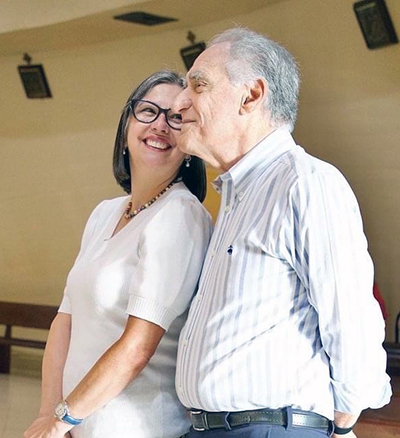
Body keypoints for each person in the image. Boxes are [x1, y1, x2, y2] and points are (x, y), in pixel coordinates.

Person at [172, 28, 392, 438]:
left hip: (273, 429)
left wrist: (341, 416)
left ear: (251, 96)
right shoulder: (238, 193)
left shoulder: (305, 182)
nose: (180, 101)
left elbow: (352, 317)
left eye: (198, 85)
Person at [24, 70, 212, 438]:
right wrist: (48, 415)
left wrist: (62, 418)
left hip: (137, 428)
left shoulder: (180, 215)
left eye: (175, 117)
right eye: (148, 111)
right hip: (77, 423)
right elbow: (65, 321)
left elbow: (138, 347)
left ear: (189, 144)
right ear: (126, 126)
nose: (160, 125)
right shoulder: (105, 213)